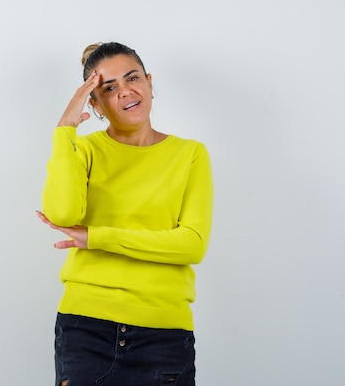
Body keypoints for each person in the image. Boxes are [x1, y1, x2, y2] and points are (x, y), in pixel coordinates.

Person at [37, 42, 213, 386]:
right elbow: (62, 213)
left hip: (163, 336)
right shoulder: (83, 149)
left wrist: (98, 237)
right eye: (109, 88)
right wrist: (64, 130)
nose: (125, 92)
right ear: (95, 104)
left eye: (132, 78)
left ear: (148, 81)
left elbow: (191, 244)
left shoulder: (190, 154)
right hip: (85, 328)